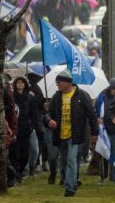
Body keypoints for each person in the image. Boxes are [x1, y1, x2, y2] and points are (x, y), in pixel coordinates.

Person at [43, 70, 98, 198]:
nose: (57, 85)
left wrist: (95, 133)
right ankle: (67, 179)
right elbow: (48, 114)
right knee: (63, 161)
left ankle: (70, 188)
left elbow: (92, 116)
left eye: (59, 82)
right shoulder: (56, 97)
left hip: (76, 134)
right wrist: (49, 120)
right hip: (60, 134)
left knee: (72, 159)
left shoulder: (82, 96)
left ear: (68, 82)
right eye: (56, 82)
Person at [9, 76, 39, 183]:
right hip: (15, 129)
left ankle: (21, 170)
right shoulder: (12, 97)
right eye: (18, 82)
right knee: (15, 153)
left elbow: (34, 114)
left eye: (22, 82)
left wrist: (32, 126)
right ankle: (16, 173)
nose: (20, 84)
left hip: (27, 130)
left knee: (26, 153)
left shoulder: (30, 97)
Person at [97, 78, 115, 186]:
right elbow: (95, 111)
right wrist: (97, 119)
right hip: (104, 130)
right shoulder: (102, 99)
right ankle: (103, 176)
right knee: (103, 154)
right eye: (114, 88)